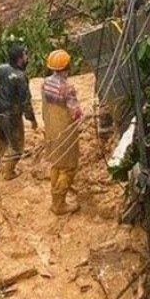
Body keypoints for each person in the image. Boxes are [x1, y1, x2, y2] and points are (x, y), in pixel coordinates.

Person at [42, 49, 83, 215]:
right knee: (68, 168)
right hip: (65, 132)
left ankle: (56, 195)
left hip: (51, 129)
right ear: (67, 67)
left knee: (56, 164)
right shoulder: (67, 88)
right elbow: (76, 113)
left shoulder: (45, 83)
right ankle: (59, 204)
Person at [0, 45, 37, 180]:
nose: (27, 58)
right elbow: (25, 102)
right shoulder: (20, 77)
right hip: (10, 116)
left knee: (1, 137)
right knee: (17, 147)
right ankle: (9, 173)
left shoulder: (0, 68)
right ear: (20, 59)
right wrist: (32, 119)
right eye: (25, 55)